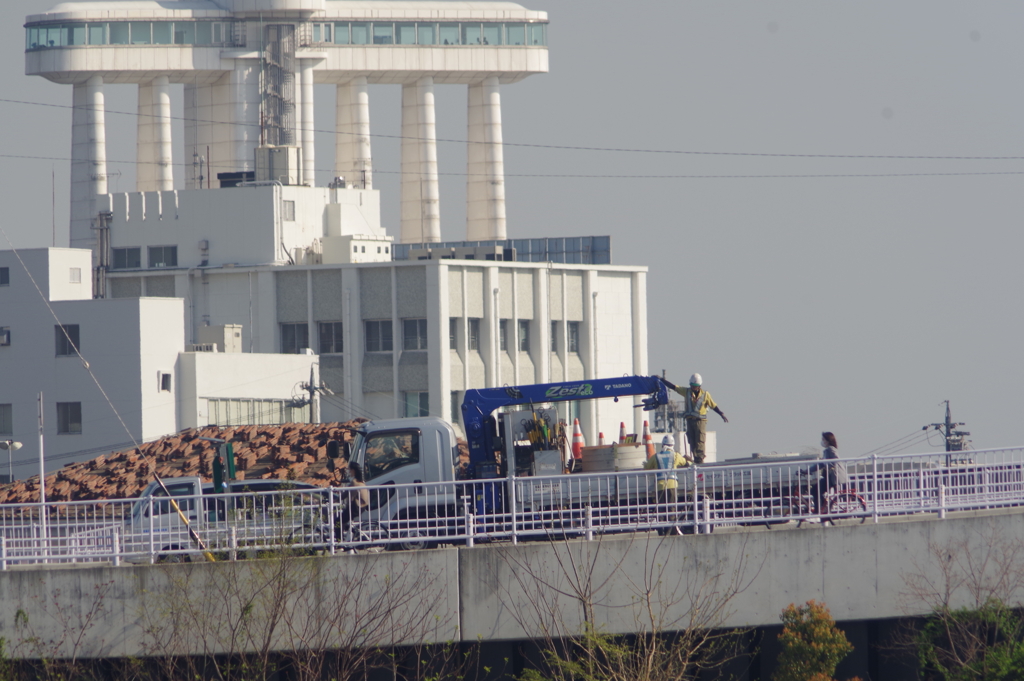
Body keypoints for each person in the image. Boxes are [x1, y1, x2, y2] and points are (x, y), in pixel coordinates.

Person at [667, 373, 728, 464]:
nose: (694, 388)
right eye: (692, 386)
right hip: (690, 420)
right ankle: (695, 457)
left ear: (699, 386)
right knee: (692, 440)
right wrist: (662, 380)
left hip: (700, 421)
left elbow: (713, 406)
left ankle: (699, 458)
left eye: (696, 386)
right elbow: (674, 387)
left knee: (700, 440)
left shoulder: (705, 395)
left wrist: (721, 414)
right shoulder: (686, 392)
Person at [643, 434, 691, 535]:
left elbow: (646, 467)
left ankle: (661, 532)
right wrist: (689, 460)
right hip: (672, 485)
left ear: (663, 444)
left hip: (660, 486)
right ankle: (671, 532)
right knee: (671, 508)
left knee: (661, 509)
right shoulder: (676, 455)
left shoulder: (656, 456)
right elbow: (685, 463)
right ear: (672, 445)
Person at [813, 432, 847, 516]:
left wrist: (827, 464)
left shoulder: (831, 449)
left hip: (834, 476)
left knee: (816, 490)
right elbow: (821, 464)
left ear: (828, 440)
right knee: (815, 489)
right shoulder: (826, 451)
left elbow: (835, 460)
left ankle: (819, 512)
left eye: (823, 439)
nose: (822, 441)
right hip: (829, 476)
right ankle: (821, 509)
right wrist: (807, 471)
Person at [337, 462, 371, 541]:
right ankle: (350, 538)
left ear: (353, 470)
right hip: (361, 507)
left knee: (338, 521)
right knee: (344, 522)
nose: (348, 471)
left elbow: (346, 494)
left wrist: (335, 500)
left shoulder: (354, 482)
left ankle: (339, 542)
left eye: (349, 469)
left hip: (356, 507)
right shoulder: (360, 482)